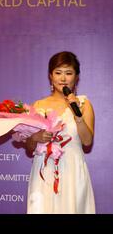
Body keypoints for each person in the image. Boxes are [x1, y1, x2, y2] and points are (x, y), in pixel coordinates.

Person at [25, 51, 95, 213]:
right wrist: (36, 137)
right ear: (50, 75)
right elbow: (29, 147)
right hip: (44, 170)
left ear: (76, 77)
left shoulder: (84, 104)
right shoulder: (39, 104)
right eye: (58, 73)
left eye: (68, 73)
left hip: (72, 169)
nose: (63, 79)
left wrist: (76, 113)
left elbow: (87, 142)